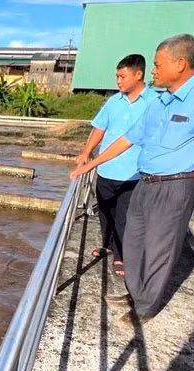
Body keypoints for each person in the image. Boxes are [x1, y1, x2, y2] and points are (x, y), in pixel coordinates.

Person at [70, 34, 194, 324]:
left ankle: (145, 308)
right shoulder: (160, 102)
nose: (154, 71)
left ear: (180, 64)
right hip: (146, 181)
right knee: (133, 241)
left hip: (177, 184)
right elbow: (127, 139)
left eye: (158, 65)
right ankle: (136, 293)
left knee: (160, 248)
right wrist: (91, 163)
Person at [76, 54, 158, 277]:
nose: (118, 81)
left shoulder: (155, 103)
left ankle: (122, 256)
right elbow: (99, 128)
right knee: (105, 211)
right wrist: (86, 153)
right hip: (106, 169)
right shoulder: (114, 102)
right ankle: (108, 245)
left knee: (125, 217)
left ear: (138, 74)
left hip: (134, 174)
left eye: (122, 76)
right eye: (117, 76)